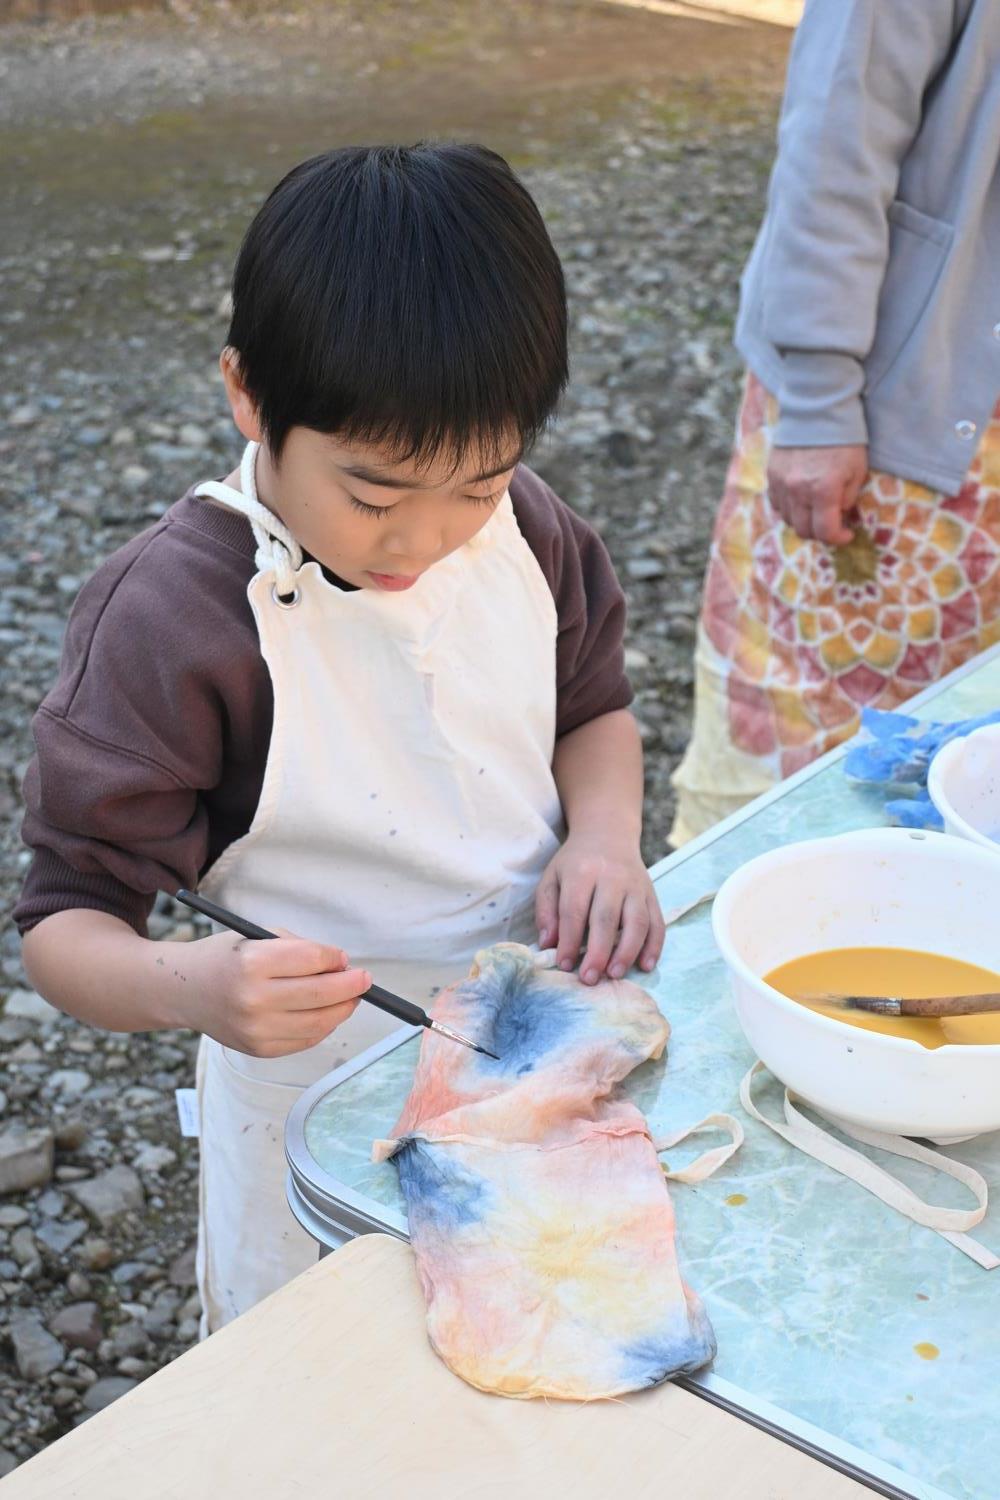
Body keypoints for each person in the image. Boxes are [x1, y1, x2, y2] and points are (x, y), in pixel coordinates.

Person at [14, 144, 665, 1333]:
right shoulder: (174, 623)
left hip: (539, 1021)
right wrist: (195, 987)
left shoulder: (529, 532)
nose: (424, 538)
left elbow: (593, 710)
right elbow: (65, 923)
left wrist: (606, 840)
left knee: (541, 1321)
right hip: (311, 1072)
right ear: (248, 394)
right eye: (372, 496)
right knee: (321, 1356)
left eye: (477, 484)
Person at [671, 0, 1000, 846]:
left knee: (976, 763)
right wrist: (819, 402)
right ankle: (753, 914)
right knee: (805, 756)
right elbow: (837, 139)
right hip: (895, 404)